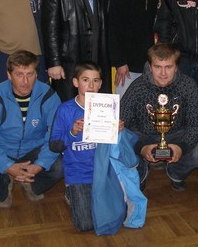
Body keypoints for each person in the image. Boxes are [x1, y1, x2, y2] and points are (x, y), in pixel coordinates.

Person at [49, 62, 146, 233]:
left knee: (118, 217)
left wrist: (119, 130)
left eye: (95, 81)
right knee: (86, 225)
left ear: (101, 84)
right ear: (75, 82)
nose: (91, 85)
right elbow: (54, 146)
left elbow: (120, 146)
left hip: (106, 171)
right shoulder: (65, 110)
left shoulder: (108, 106)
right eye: (85, 80)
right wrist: (72, 132)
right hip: (79, 173)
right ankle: (71, 193)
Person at [0, 50, 62, 208]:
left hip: (34, 149)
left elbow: (56, 135)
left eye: (30, 74)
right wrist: (7, 166)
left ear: (36, 74)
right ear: (9, 75)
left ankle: (31, 184)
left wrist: (40, 165)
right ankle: (4, 185)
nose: (25, 81)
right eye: (19, 74)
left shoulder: (49, 96)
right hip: (4, 148)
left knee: (61, 167)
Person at [120, 43, 198, 192]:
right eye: (158, 67)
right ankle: (140, 174)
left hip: (176, 135)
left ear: (176, 67)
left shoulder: (189, 86)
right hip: (143, 135)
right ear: (150, 66)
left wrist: (181, 147)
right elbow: (121, 121)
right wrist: (140, 147)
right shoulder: (137, 87)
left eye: (169, 67)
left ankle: (175, 173)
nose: (163, 73)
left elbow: (195, 124)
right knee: (121, 143)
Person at [109, 0, 165, 96]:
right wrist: (119, 62)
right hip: (128, 68)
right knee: (126, 108)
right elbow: (114, 29)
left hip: (160, 66)